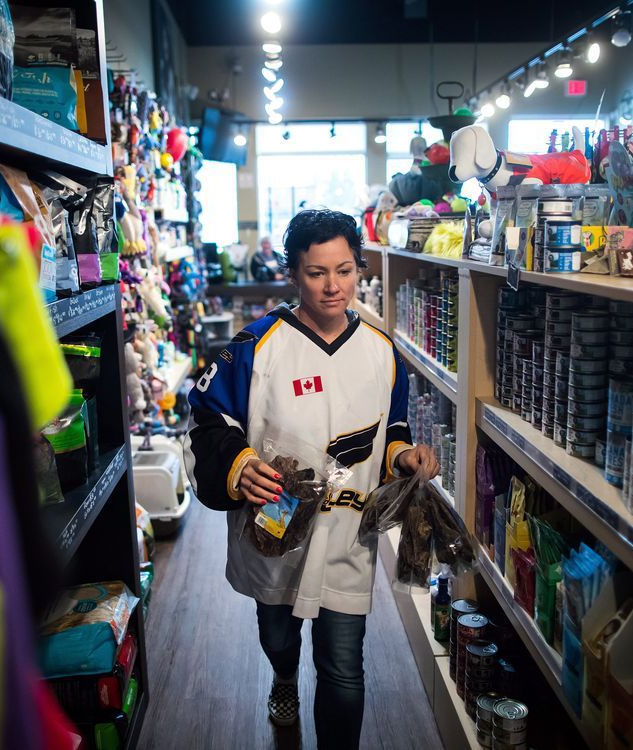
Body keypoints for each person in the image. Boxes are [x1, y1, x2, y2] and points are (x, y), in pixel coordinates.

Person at [184, 209, 439, 749]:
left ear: (358, 269)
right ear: (293, 274)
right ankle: (281, 676)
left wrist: (404, 459)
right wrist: (238, 465)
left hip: (349, 524)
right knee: (278, 632)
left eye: (344, 271)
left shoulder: (381, 351)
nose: (333, 286)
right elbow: (208, 418)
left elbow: (391, 430)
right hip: (279, 512)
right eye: (317, 272)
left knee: (344, 666)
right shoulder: (256, 345)